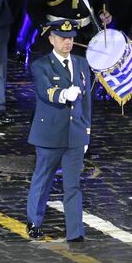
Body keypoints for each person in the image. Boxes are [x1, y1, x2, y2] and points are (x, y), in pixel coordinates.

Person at [25, 19, 92, 242]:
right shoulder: (40, 65)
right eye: (63, 38)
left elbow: (87, 101)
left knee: (73, 185)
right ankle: (34, 222)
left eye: (71, 38)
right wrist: (63, 94)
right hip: (50, 134)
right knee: (42, 181)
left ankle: (75, 232)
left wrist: (87, 132)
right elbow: (46, 91)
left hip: (75, 134)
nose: (67, 42)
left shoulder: (82, 64)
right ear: (52, 39)